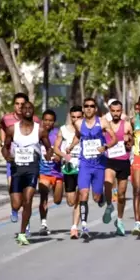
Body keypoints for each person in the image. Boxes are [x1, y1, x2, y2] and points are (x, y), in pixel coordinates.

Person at [1, 101, 52, 245]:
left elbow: (49, 147)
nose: (28, 110)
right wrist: (7, 156)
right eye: (25, 108)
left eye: (30, 108)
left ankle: (23, 233)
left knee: (28, 200)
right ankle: (15, 211)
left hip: (32, 168)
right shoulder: (12, 129)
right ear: (21, 111)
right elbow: (5, 147)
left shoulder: (40, 130)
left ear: (33, 111)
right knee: (17, 204)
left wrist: (48, 155)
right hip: (17, 169)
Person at [66, 97, 117, 239]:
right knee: (83, 194)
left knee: (96, 196)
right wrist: (71, 146)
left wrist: (105, 146)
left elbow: (114, 139)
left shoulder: (102, 122)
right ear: (83, 108)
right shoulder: (78, 123)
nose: (89, 108)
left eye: (91, 106)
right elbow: (78, 136)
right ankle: (83, 226)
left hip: (99, 164)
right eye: (86, 106)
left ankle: (100, 198)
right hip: (85, 164)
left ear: (95, 108)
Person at [0, 93, 40, 225]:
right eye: (17, 104)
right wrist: (3, 145)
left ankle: (26, 223)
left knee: (27, 196)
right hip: (13, 161)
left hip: (30, 163)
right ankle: (14, 209)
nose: (19, 106)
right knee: (14, 191)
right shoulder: (7, 119)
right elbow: (2, 128)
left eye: (22, 104)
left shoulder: (35, 120)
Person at [103, 100, 135, 235]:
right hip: (109, 159)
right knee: (108, 183)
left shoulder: (126, 125)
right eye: (113, 111)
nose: (116, 113)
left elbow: (132, 142)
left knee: (121, 195)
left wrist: (129, 141)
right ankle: (109, 205)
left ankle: (120, 220)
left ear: (121, 111)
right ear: (110, 111)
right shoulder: (106, 125)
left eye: (118, 111)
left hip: (123, 161)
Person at [53, 106, 84, 239]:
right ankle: (77, 199)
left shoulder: (87, 129)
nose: (76, 120)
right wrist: (64, 156)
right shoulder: (63, 130)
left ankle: (74, 227)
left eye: (78, 117)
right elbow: (56, 148)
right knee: (71, 201)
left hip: (83, 166)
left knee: (82, 193)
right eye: (73, 117)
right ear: (70, 116)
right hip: (69, 168)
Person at [38, 109, 64, 235]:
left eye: (50, 120)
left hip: (57, 173)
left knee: (57, 200)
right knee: (43, 196)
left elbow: (62, 152)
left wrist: (59, 157)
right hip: (43, 171)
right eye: (46, 120)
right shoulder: (37, 134)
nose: (48, 123)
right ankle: (43, 224)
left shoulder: (57, 135)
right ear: (42, 121)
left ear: (54, 122)